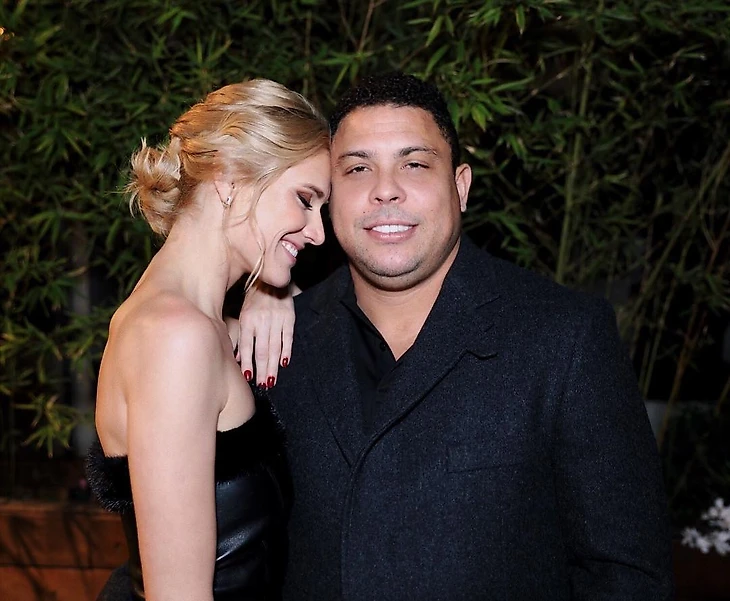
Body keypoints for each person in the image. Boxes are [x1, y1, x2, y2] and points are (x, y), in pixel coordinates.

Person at [241, 72, 674, 600]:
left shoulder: (564, 337)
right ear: (329, 199)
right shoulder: (277, 342)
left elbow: (628, 575)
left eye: (415, 164)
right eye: (357, 168)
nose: (385, 189)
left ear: (461, 186)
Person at [85, 79, 330, 601]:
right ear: (230, 177)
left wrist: (269, 288)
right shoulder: (175, 337)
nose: (318, 232)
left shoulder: (196, 325)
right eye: (305, 200)